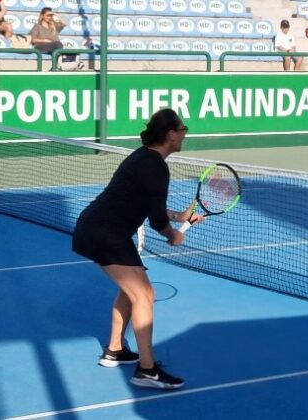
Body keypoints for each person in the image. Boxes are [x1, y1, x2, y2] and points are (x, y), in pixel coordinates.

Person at [72, 108, 204, 390]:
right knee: (144, 293)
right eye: (183, 130)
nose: (184, 135)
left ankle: (115, 349)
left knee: (130, 291)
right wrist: (173, 236)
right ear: (170, 134)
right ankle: (147, 370)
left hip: (100, 229)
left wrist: (178, 218)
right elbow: (155, 220)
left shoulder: (143, 157)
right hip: (105, 233)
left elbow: (148, 205)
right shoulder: (156, 165)